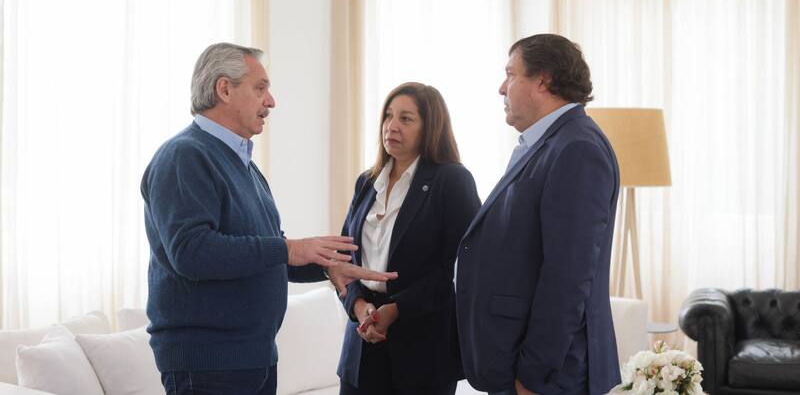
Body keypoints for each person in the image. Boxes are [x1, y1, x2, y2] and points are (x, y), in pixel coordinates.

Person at [141, 43, 396, 395]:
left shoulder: (243, 165)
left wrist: (323, 266)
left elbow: (263, 256)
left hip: (252, 358)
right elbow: (191, 252)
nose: (271, 101)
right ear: (224, 89)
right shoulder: (184, 156)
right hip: (210, 366)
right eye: (260, 88)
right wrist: (289, 249)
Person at [455, 34, 621, 395]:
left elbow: (568, 277)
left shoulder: (576, 148)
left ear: (542, 80)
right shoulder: (549, 143)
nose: (502, 88)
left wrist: (533, 374)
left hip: (548, 376)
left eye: (511, 74)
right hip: (523, 366)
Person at [336, 82, 481, 395]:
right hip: (362, 341)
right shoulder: (367, 181)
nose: (392, 126)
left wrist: (396, 309)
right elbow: (344, 258)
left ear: (430, 127)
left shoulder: (452, 180)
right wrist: (359, 306)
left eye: (406, 118)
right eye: (388, 116)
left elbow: (460, 270)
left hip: (422, 349)